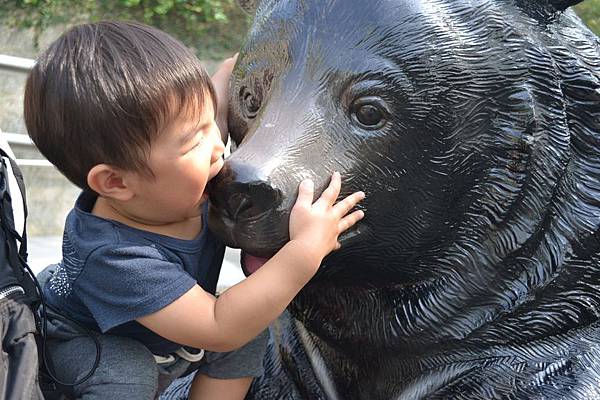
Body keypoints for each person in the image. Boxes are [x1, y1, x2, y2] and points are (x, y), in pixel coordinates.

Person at [23, 21, 365, 400]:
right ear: (116, 183)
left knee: (250, 332)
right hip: (81, 334)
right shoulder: (114, 256)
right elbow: (218, 326)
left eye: (210, 126)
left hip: (166, 329)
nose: (218, 147)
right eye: (193, 141)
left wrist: (246, 65)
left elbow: (211, 106)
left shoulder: (179, 181)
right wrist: (305, 250)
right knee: (127, 373)